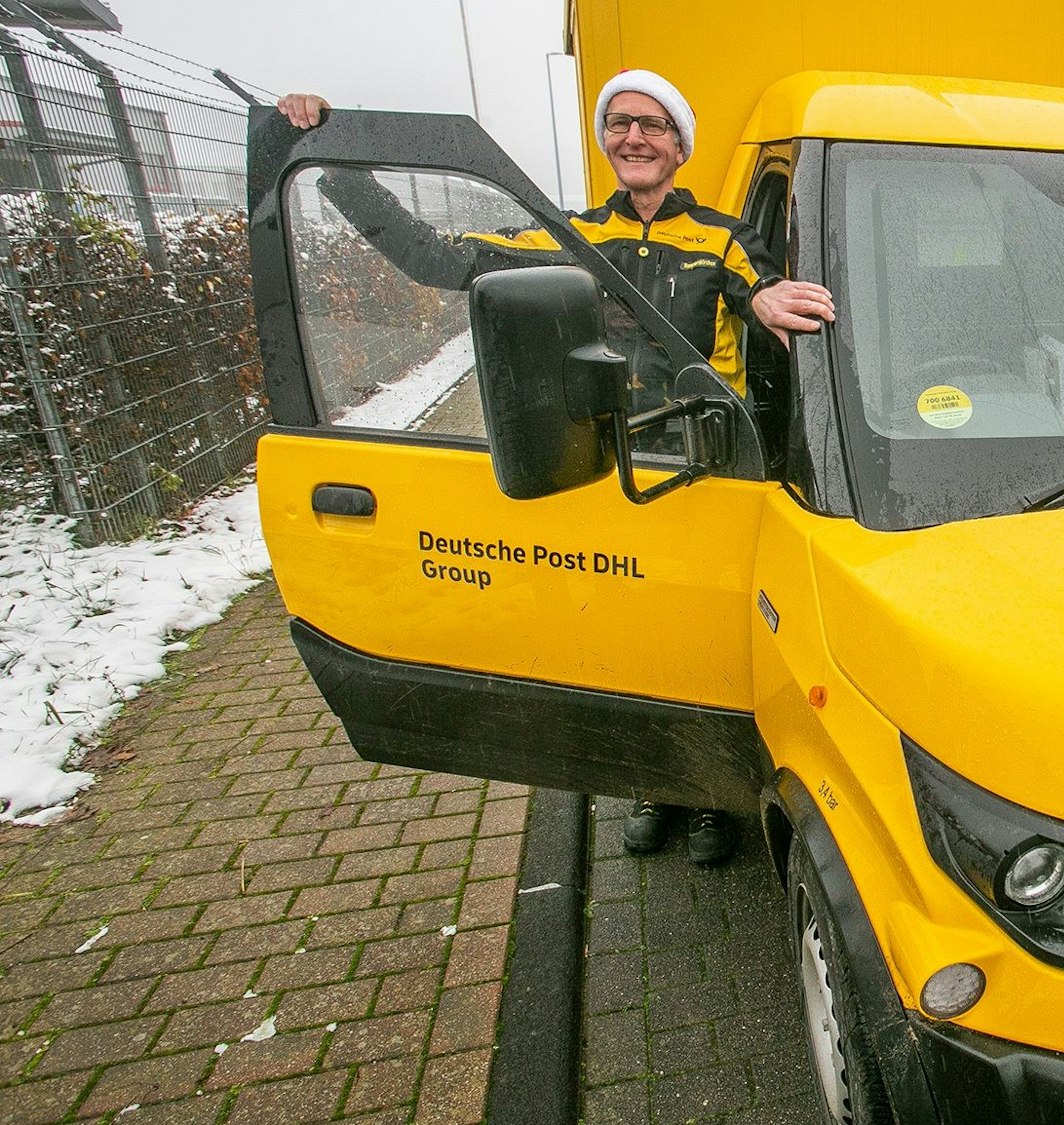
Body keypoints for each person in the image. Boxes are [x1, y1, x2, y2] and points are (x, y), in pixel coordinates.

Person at [278, 71, 835, 864]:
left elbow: (763, 288)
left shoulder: (722, 237)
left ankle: (714, 798)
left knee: (697, 637)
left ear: (680, 147)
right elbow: (437, 258)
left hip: (702, 468)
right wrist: (337, 162)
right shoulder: (568, 237)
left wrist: (772, 297)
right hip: (609, 471)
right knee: (624, 635)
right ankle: (657, 784)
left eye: (652, 125)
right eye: (620, 122)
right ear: (607, 141)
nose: (634, 137)